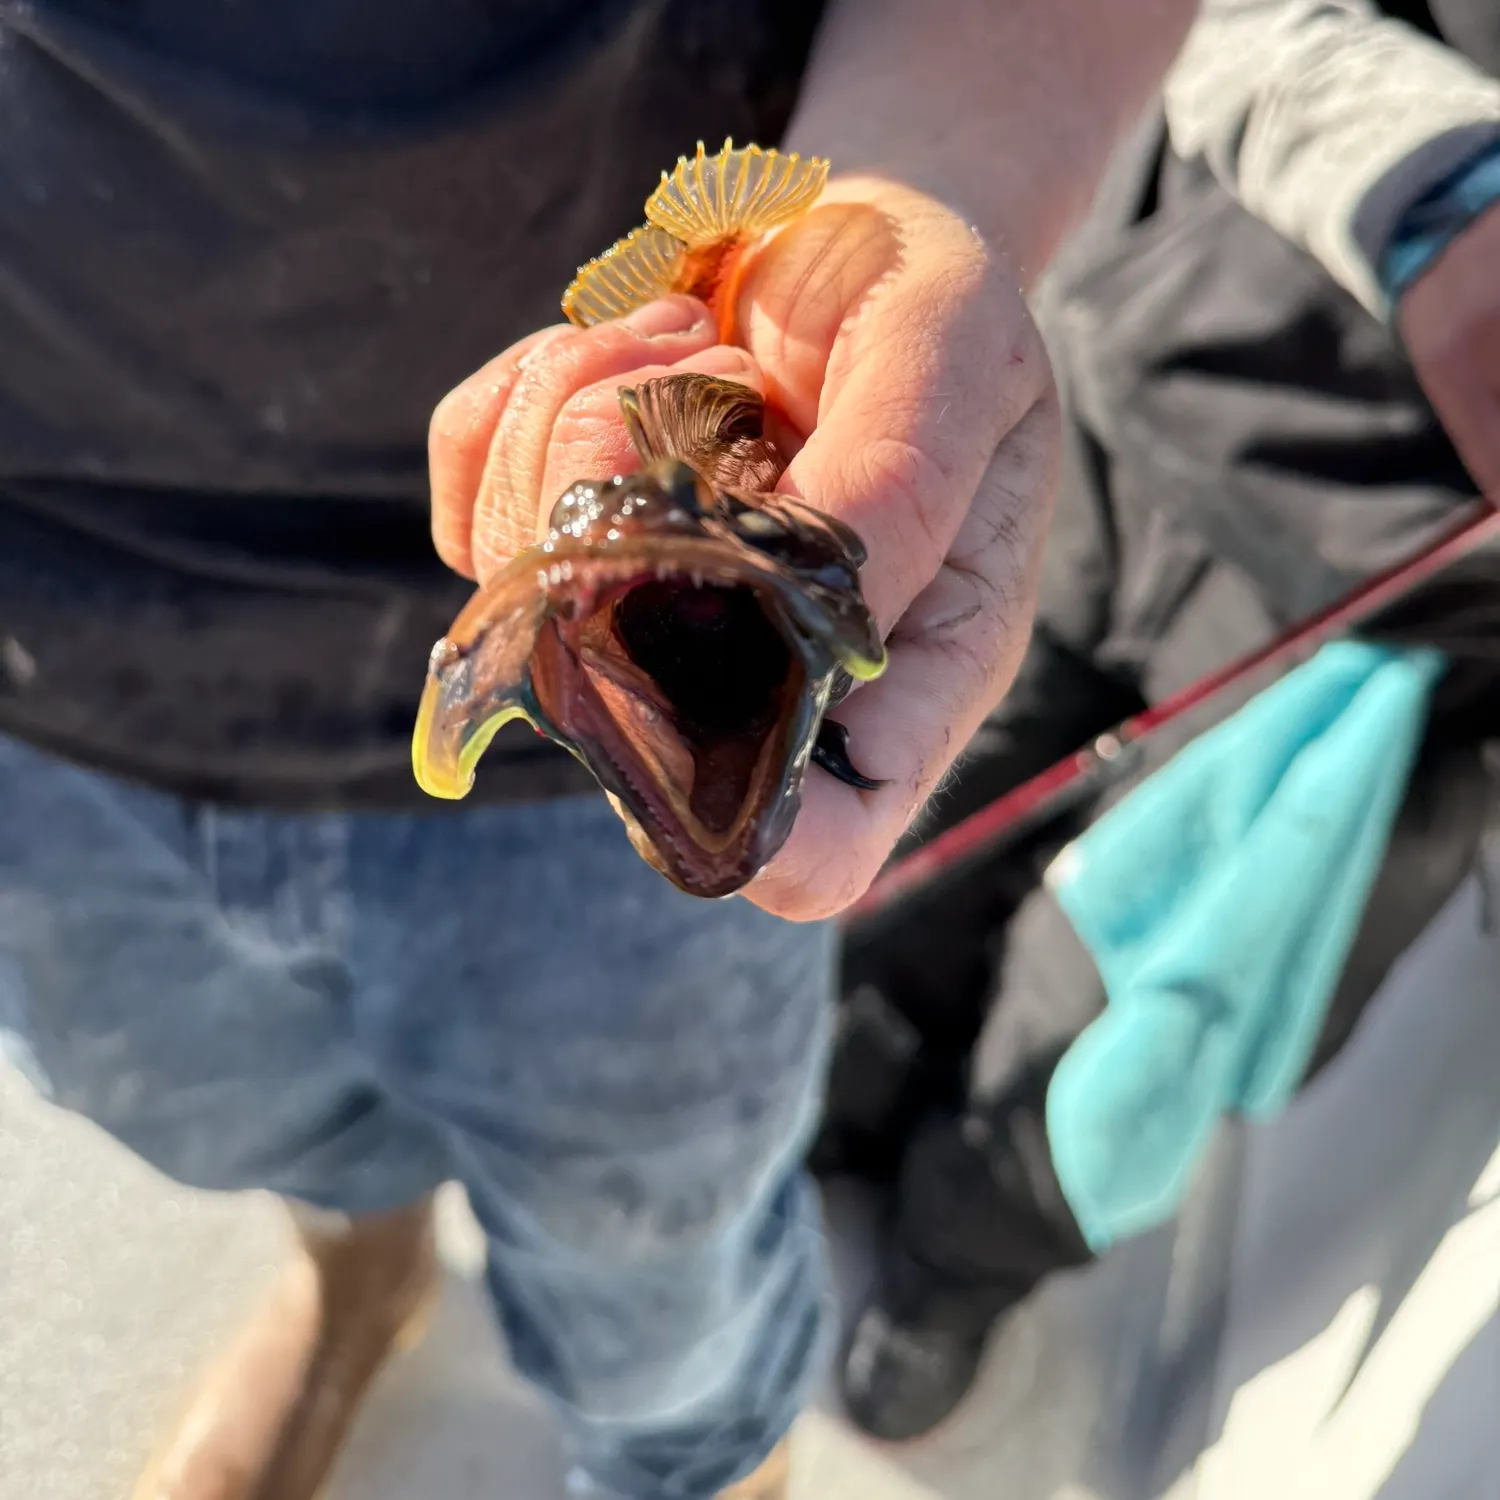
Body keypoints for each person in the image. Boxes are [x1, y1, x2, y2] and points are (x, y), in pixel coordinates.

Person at [0, 2, 1203, 1497]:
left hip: (578, 811)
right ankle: (361, 1272)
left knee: (663, 1288)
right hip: (44, 710)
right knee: (215, 1111)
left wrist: (906, 198)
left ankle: (699, 1468)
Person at [831, 0, 1500, 1446]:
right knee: (904, 818)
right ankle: (845, 1089)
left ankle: (952, 1268)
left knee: (1125, 1028)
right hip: (1121, 392)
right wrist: (1442, 197)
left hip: (1395, 660)